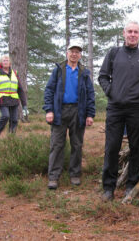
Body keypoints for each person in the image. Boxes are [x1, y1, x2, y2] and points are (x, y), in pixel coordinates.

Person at [98, 21, 139, 201]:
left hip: (136, 109)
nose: (132, 35)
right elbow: (103, 76)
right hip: (115, 108)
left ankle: (131, 184)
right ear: (124, 33)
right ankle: (108, 187)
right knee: (112, 147)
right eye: (129, 31)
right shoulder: (114, 53)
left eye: (135, 32)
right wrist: (110, 91)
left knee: (136, 147)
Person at [43, 43, 95, 190]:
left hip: (78, 112)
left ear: (80, 55)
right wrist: (49, 110)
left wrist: (90, 114)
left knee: (77, 145)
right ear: (67, 53)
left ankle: (75, 174)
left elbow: (90, 94)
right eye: (72, 51)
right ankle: (53, 177)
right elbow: (49, 91)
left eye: (77, 52)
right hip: (60, 111)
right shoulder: (58, 70)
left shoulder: (84, 72)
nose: (74, 54)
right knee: (57, 145)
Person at [0, 55, 27, 136]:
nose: (6, 62)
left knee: (14, 120)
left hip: (14, 100)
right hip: (2, 99)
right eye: (4, 60)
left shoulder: (14, 73)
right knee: (5, 116)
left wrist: (24, 104)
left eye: (7, 60)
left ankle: (11, 136)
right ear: (1, 62)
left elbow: (20, 89)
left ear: (10, 63)